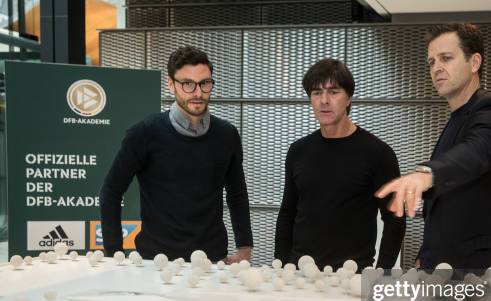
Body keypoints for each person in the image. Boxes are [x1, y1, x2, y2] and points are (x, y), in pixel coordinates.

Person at [376, 23, 491, 271]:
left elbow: (475, 153)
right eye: (431, 62)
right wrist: (425, 256)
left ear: (474, 63)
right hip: (445, 271)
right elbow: (448, 204)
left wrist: (426, 173)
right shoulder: (457, 118)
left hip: (480, 276)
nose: (437, 68)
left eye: (446, 58)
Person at [100, 46, 253, 262]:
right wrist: (114, 254)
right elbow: (111, 191)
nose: (198, 92)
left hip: (213, 261)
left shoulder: (227, 134)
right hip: (155, 262)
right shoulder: (144, 133)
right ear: (171, 84)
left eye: (205, 83)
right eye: (187, 84)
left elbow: (237, 194)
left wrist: (245, 247)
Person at [274, 58, 405, 271]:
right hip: (299, 272)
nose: (324, 100)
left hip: (352, 274)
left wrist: (382, 274)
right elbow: (287, 212)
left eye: (333, 92)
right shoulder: (298, 151)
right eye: (316, 92)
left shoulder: (378, 153)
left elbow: (394, 221)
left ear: (349, 98)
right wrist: (279, 264)